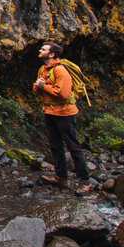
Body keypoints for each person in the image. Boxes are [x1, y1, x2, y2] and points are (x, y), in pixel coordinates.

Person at [32, 42, 91, 191]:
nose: (40, 50)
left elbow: (63, 94)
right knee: (55, 146)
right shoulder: (42, 69)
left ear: (52, 54)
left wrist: (43, 86)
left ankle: (85, 182)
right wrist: (38, 86)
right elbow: (37, 90)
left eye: (43, 49)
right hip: (50, 113)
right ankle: (61, 178)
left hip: (65, 114)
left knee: (73, 147)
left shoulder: (60, 70)